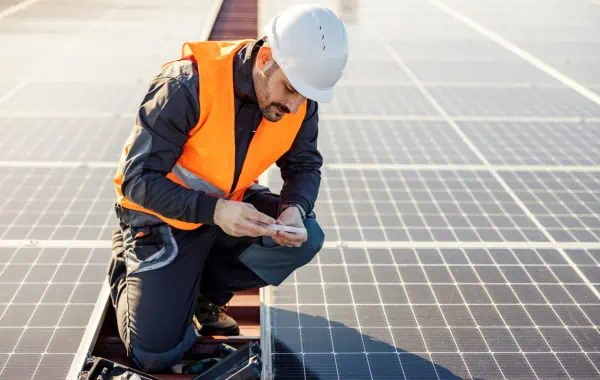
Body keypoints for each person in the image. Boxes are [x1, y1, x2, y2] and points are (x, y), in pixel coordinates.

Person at [107, 4, 349, 373]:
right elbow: (137, 180)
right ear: (266, 57)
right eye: (290, 89)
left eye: (305, 95)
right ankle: (129, 261)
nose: (294, 104)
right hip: (163, 219)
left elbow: (303, 165)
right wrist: (216, 212)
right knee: (155, 355)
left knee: (307, 237)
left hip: (228, 209)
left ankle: (205, 295)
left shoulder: (299, 100)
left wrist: (293, 209)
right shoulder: (185, 86)